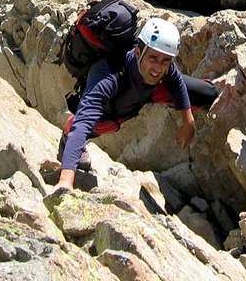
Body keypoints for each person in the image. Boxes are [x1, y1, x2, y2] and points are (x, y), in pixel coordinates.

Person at [55, 16, 219, 190]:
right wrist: (66, 180)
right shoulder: (108, 75)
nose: (159, 67)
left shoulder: (159, 61)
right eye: (154, 59)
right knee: (100, 124)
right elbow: (83, 125)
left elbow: (175, 79)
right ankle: (67, 135)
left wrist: (188, 120)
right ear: (138, 52)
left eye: (166, 61)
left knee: (207, 93)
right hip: (115, 105)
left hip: (147, 92)